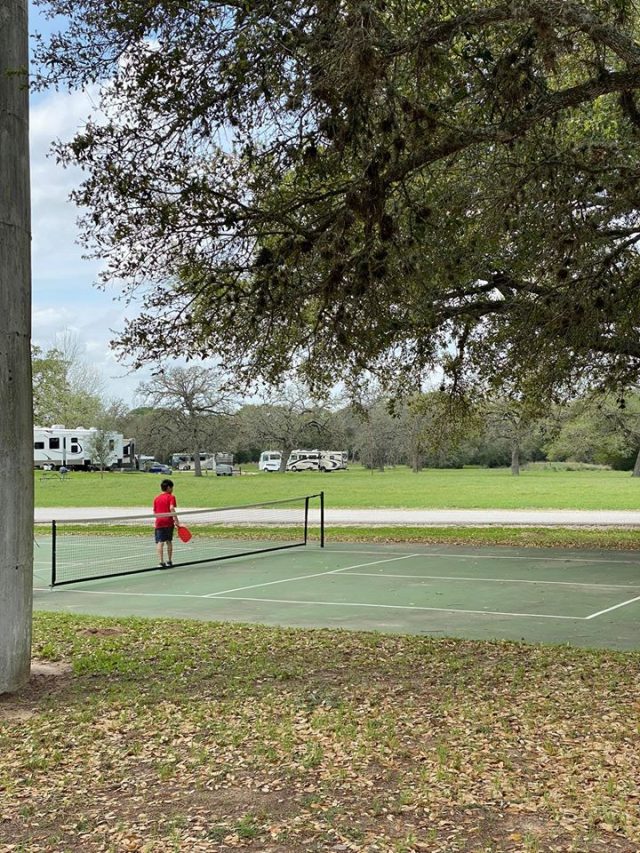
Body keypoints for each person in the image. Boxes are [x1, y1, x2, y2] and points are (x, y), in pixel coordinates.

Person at [153, 478, 180, 568]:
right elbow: (172, 508)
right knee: (168, 541)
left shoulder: (156, 498)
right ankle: (169, 561)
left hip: (159, 522)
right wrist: (177, 521)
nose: (172, 490)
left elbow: (155, 512)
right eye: (172, 488)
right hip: (168, 522)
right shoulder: (171, 497)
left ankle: (161, 562)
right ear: (168, 488)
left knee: (160, 542)